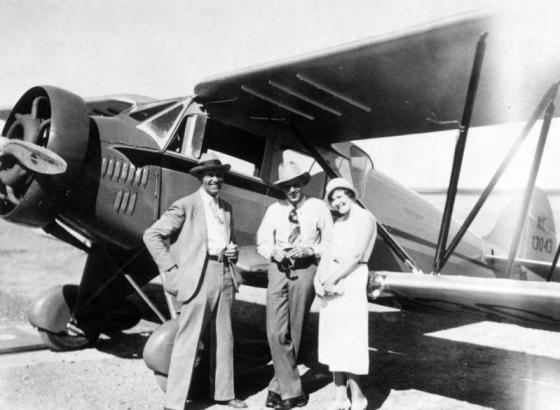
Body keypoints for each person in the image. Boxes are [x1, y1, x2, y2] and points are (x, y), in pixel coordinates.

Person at [143, 152, 247, 410]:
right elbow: (152, 235)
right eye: (210, 175)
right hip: (197, 277)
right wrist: (171, 269)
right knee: (188, 339)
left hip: (224, 272)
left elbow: (228, 240)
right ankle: (175, 402)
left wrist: (232, 251)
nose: (215, 180)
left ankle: (224, 394)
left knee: (225, 336)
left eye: (219, 176)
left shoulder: (227, 208)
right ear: (201, 177)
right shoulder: (185, 205)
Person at [257, 161, 334, 410]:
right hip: (278, 269)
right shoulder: (274, 210)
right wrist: (273, 252)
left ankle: (279, 388)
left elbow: (331, 242)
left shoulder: (317, 207)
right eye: (287, 186)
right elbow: (262, 242)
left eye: (296, 184)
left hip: (305, 269)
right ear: (282, 188)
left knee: (295, 329)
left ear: (303, 183)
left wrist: (311, 248)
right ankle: (292, 390)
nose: (292, 190)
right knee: (275, 331)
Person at [315, 178, 377, 410]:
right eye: (333, 198)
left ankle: (358, 395)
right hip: (332, 278)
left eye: (341, 196)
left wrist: (332, 279)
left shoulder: (365, 218)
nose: (337, 201)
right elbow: (327, 252)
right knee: (332, 336)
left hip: (350, 278)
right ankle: (340, 394)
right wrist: (319, 278)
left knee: (350, 337)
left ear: (351, 195)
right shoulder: (338, 222)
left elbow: (355, 255)